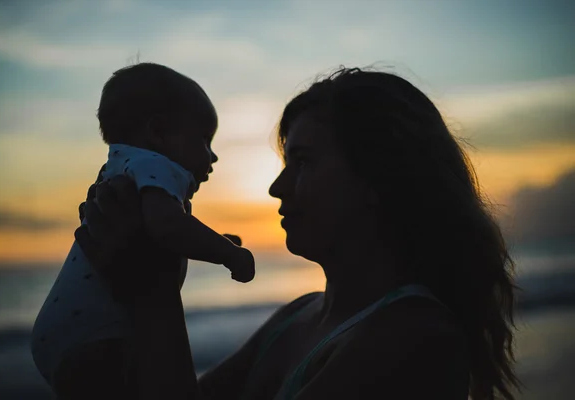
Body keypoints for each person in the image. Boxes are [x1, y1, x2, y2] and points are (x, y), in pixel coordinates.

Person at [64, 67, 521, 399]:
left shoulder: (415, 336)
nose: (276, 187)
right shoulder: (297, 317)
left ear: (377, 181)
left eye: (302, 162)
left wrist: (152, 294)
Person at [30, 63, 255, 392]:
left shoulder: (126, 167)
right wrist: (229, 254)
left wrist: (208, 240)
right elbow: (167, 227)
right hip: (94, 336)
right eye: (206, 140)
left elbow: (160, 233)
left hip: (72, 331)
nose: (214, 157)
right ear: (158, 132)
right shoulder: (156, 164)